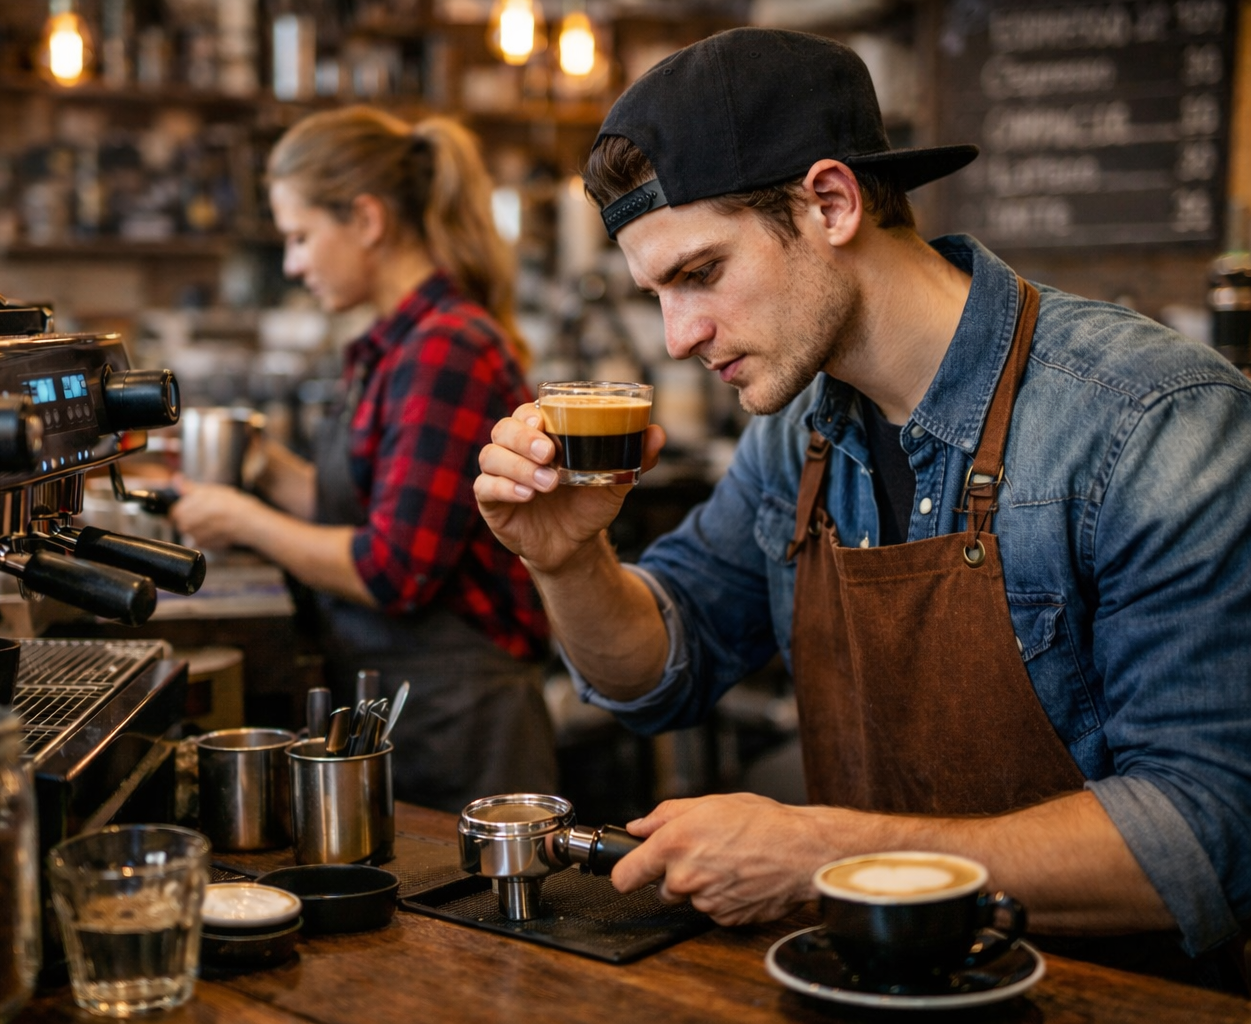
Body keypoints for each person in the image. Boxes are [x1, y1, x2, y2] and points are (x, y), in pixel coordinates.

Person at [475, 28, 1251, 990]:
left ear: (831, 202)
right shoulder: (795, 429)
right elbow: (656, 676)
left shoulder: (1149, 420)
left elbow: (1208, 831)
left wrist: (822, 856)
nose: (678, 339)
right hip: (870, 982)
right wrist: (567, 561)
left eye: (700, 274)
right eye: (657, 293)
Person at [170, 106, 557, 812]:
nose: (292, 264)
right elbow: (370, 505)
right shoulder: (397, 343)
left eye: (300, 237)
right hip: (416, 698)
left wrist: (243, 518)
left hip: (463, 718)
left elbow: (394, 569)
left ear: (368, 221)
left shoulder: (446, 347)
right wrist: (256, 461)